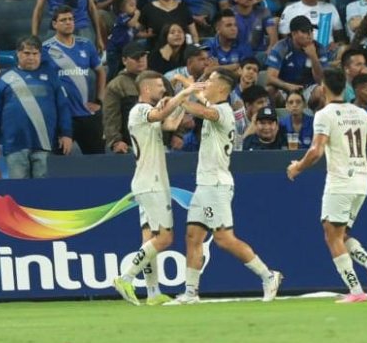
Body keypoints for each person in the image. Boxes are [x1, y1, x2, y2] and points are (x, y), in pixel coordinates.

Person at [173, 68, 282, 304]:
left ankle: (268, 275)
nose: (206, 85)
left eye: (209, 82)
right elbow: (202, 99)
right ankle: (191, 292)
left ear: (222, 88)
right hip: (204, 185)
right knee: (193, 236)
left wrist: (181, 96)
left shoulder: (222, 112)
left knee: (223, 238)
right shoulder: (217, 105)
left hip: (216, 186)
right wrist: (186, 82)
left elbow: (197, 108)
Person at [287, 67, 367, 303]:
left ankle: (355, 291)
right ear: (346, 87)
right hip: (361, 183)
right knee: (341, 235)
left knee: (331, 237)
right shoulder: (360, 113)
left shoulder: (324, 115)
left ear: (322, 89)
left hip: (340, 183)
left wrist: (297, 168)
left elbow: (316, 151)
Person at [110, 73, 200, 306]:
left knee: (149, 238)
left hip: (147, 182)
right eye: (160, 86)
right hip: (151, 183)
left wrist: (180, 100)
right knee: (165, 238)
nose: (163, 89)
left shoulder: (146, 114)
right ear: (147, 89)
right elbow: (160, 114)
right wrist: (184, 93)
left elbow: (169, 123)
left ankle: (152, 292)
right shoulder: (139, 110)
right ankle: (125, 277)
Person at [0, 36, 72, 179]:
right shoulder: (5, 78)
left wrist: (66, 134)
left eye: (35, 54)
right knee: (19, 191)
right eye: (27, 53)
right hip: (15, 144)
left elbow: (63, 107)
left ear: (40, 55)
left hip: (44, 142)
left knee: (43, 192)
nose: (31, 57)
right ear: (18, 54)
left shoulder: (51, 77)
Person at [43, 6, 105, 154]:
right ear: (54, 24)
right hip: (61, 116)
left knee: (98, 162)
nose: (68, 22)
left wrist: (99, 100)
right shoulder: (46, 49)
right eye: (63, 20)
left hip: (87, 115)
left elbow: (101, 72)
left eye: (71, 19)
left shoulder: (86, 44)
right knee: (60, 163)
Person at [102, 42, 150, 154]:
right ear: (124, 61)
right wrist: (116, 141)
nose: (140, 60)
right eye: (135, 57)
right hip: (130, 145)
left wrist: (177, 135)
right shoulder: (116, 85)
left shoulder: (157, 80)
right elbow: (110, 117)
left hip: (158, 141)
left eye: (143, 56)